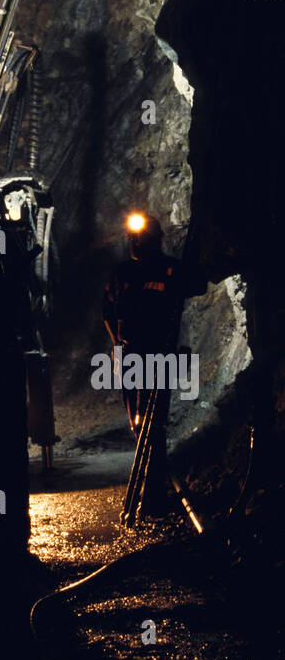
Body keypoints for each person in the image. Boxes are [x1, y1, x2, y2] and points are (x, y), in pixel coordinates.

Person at [102, 212, 185, 510]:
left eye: (139, 238)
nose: (134, 243)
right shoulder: (122, 274)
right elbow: (108, 312)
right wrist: (116, 347)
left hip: (160, 355)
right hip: (130, 354)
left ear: (153, 240)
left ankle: (153, 492)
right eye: (131, 238)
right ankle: (149, 482)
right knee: (138, 422)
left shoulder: (171, 271)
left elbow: (198, 284)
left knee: (155, 422)